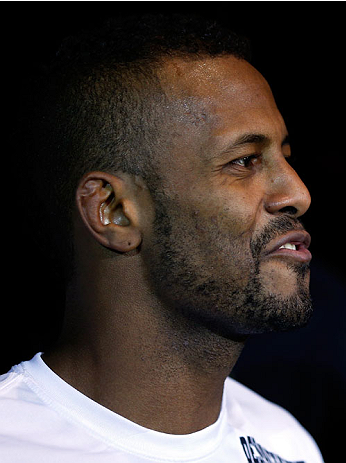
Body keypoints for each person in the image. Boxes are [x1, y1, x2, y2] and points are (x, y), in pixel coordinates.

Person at [0, 13, 323, 462]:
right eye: (245, 161)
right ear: (113, 211)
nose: (297, 193)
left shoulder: (287, 443)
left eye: (285, 156)